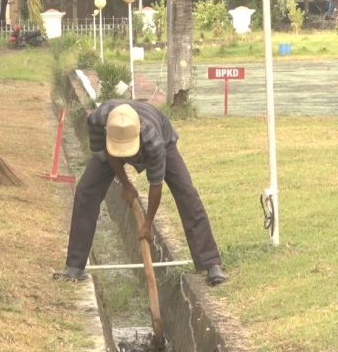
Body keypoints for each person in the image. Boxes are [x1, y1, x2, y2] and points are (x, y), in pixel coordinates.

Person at [55, 100, 227, 286]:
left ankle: (211, 263)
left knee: (187, 194)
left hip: (162, 139)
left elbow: (156, 184)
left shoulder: (153, 139)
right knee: (85, 191)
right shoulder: (97, 121)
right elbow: (106, 151)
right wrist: (125, 183)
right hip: (111, 144)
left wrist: (148, 223)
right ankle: (74, 266)